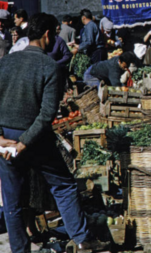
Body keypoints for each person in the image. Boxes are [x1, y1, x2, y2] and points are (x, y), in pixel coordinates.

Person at [0, 13, 108, 252]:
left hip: (6, 139)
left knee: (13, 199)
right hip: (34, 138)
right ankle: (82, 240)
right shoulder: (49, 66)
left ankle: (19, 249)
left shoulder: (5, 62)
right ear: (48, 35)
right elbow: (47, 114)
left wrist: (1, 139)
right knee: (63, 185)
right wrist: (24, 142)